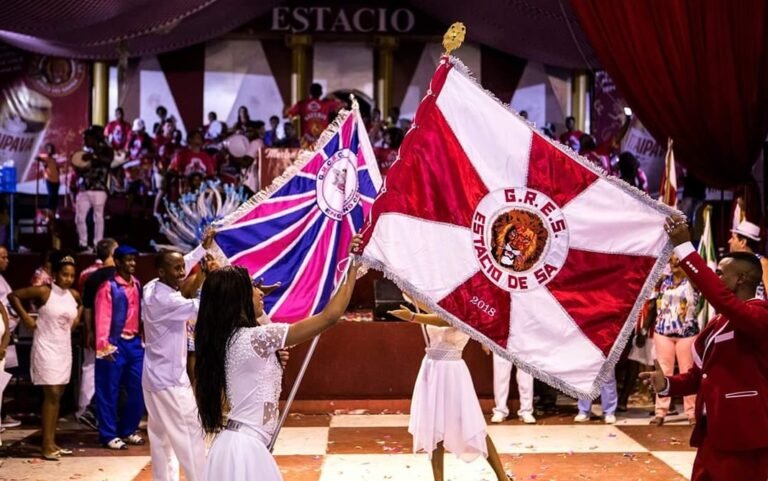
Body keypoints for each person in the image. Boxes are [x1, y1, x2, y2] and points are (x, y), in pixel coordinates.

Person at [196, 236, 363, 481]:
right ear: (238, 298)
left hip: (244, 444)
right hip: (246, 448)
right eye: (253, 286)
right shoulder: (255, 338)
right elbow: (330, 316)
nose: (260, 290)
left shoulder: (235, 337)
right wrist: (353, 265)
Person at [641, 215, 768, 481]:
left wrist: (686, 249)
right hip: (712, 432)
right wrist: (666, 384)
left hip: (744, 435)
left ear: (742, 279)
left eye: (720, 273)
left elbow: (720, 298)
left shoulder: (759, 317)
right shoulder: (719, 321)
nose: (714, 276)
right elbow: (700, 377)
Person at [388, 303, 511, 481]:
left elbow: (445, 320)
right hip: (431, 368)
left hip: (452, 372)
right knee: (434, 426)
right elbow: (430, 308)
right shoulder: (444, 303)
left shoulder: (468, 306)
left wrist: (413, 317)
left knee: (473, 426)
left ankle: (503, 478)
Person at [141, 230, 213, 481]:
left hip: (153, 379)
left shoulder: (151, 287)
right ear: (162, 272)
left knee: (161, 439)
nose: (182, 272)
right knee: (189, 434)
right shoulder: (168, 301)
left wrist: (202, 249)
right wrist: (210, 277)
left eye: (183, 267)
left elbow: (182, 262)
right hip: (170, 382)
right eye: (177, 269)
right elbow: (203, 307)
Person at [8, 254, 82, 459]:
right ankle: (46, 445)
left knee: (57, 396)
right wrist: (25, 318)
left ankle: (51, 441)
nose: (68, 279)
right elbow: (13, 296)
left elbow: (82, 304)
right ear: (55, 274)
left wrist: (76, 321)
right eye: (64, 275)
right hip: (45, 347)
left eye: (71, 275)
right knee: (51, 395)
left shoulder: (73, 295)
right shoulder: (44, 291)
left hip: (63, 348)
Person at [94, 245, 145, 449]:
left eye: (134, 259)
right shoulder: (109, 287)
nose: (132, 263)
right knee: (108, 389)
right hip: (114, 343)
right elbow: (102, 318)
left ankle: (128, 429)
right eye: (128, 260)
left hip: (134, 343)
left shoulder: (138, 284)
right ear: (117, 262)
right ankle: (108, 434)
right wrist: (103, 346)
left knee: (138, 387)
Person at [650, 254, 699, 425]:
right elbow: (651, 302)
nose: (674, 262)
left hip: (687, 333)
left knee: (688, 372)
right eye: (671, 260)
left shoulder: (693, 281)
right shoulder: (664, 281)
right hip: (663, 332)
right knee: (663, 371)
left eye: (677, 260)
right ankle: (660, 412)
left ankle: (692, 413)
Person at [77, 238, 118, 428]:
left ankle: (86, 408)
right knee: (112, 375)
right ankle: (95, 412)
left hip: (97, 331)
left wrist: (90, 331)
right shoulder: (119, 275)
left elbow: (86, 309)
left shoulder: (89, 275)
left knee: (91, 369)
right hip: (114, 333)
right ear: (113, 253)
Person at [74, 126, 112, 252]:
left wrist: (93, 157)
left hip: (99, 188)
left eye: (86, 138)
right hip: (84, 188)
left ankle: (98, 244)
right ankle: (83, 243)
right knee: (79, 217)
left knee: (98, 217)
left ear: (93, 138)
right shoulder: (84, 152)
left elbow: (108, 161)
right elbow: (79, 168)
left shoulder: (106, 150)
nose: (84, 140)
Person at [284, 83, 343, 147]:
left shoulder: (302, 104)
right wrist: (333, 97)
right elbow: (343, 105)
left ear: (310, 92)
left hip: (306, 144)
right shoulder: (327, 104)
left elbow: (286, 114)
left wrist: (288, 108)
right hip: (323, 144)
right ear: (321, 93)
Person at [485, 349, 536, 424]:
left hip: (524, 340)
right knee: (500, 375)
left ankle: (526, 410)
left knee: (526, 376)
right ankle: (500, 410)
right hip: (501, 339)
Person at [0, 246, 20, 430]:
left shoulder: (2, 279)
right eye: (3, 257)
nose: (7, 260)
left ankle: (2, 413)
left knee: (6, 375)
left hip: (7, 333)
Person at [727, 220, 768, 298]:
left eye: (733, 238)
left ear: (743, 242)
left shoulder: (762, 263)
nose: (729, 241)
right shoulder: (732, 263)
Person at [36, 143, 60, 213]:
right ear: (46, 149)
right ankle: (49, 209)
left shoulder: (54, 159)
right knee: (51, 194)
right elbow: (37, 158)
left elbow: (57, 168)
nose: (50, 150)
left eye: (51, 148)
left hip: (56, 179)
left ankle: (54, 210)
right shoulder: (45, 156)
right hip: (49, 178)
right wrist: (43, 162)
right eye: (49, 149)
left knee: (55, 196)